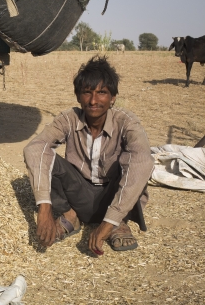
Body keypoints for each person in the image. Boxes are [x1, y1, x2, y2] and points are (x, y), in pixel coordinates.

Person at [23, 55, 154, 255]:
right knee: (43, 156)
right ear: (78, 96)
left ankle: (117, 223)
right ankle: (71, 216)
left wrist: (108, 222)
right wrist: (44, 207)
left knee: (137, 163)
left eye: (102, 92)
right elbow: (35, 148)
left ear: (113, 98)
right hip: (79, 195)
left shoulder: (126, 122)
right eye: (87, 92)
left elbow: (143, 160)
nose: (93, 100)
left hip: (113, 194)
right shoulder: (69, 118)